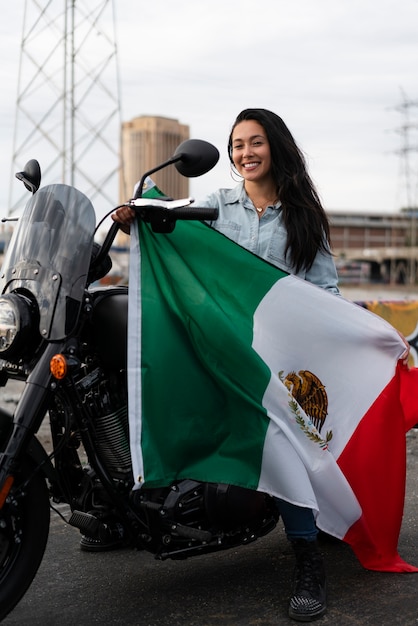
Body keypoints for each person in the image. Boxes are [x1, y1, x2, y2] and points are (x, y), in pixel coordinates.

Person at [111, 108, 409, 622]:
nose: (244, 154)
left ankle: (308, 560)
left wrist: (364, 332)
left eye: (255, 143)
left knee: (278, 435)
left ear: (276, 148)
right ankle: (119, 512)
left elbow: (325, 293)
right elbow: (171, 228)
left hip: (275, 361)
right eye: (236, 145)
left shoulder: (303, 217)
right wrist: (137, 213)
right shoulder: (214, 206)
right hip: (216, 348)